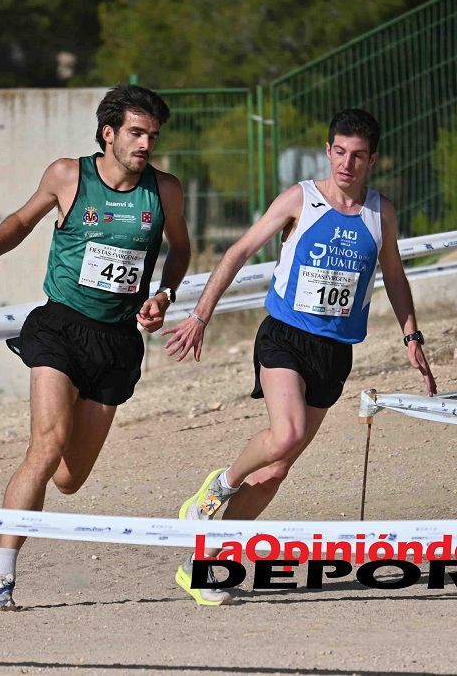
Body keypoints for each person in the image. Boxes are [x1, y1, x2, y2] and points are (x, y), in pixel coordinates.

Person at [162, 109, 437, 605]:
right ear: (328, 150)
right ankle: (219, 484)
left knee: (276, 470)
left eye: (357, 155)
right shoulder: (300, 200)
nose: (346, 163)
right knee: (284, 433)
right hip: (284, 337)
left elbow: (393, 274)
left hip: (334, 354)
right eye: (339, 152)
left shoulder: (382, 213)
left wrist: (411, 336)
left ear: (372, 158)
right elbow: (239, 252)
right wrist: (200, 316)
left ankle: (203, 565)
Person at [0, 85, 191, 610]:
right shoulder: (70, 175)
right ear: (108, 133)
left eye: (152, 136)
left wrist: (166, 294)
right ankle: (1, 577)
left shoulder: (166, 191)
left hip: (117, 342)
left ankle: (37, 496)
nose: (145, 144)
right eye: (136, 133)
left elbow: (179, 250)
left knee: (69, 478)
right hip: (61, 327)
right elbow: (22, 220)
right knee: (46, 446)